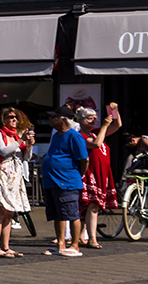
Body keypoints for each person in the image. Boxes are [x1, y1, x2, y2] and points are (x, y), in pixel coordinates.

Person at [43, 107, 89, 257]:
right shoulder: (57, 135)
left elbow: (84, 159)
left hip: (66, 180)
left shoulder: (74, 136)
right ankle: (61, 243)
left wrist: (77, 175)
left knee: (71, 213)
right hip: (52, 180)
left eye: (53, 117)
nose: (50, 120)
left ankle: (75, 245)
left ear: (63, 119)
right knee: (57, 214)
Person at [0, 107, 33, 257]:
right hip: (2, 175)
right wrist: (21, 140)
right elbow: (3, 151)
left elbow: (26, 158)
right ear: (3, 119)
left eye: (16, 117)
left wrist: (30, 145)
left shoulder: (16, 135)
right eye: (11, 117)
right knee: (0, 211)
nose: (15, 120)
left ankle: (6, 247)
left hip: (15, 176)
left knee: (10, 213)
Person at [77, 104, 119, 248]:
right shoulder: (80, 135)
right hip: (90, 173)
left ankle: (81, 237)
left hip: (102, 173)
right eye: (89, 118)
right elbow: (95, 144)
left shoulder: (95, 132)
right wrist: (104, 126)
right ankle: (92, 238)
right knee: (92, 205)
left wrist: (114, 111)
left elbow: (117, 126)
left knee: (89, 206)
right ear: (81, 120)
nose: (93, 121)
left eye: (94, 118)